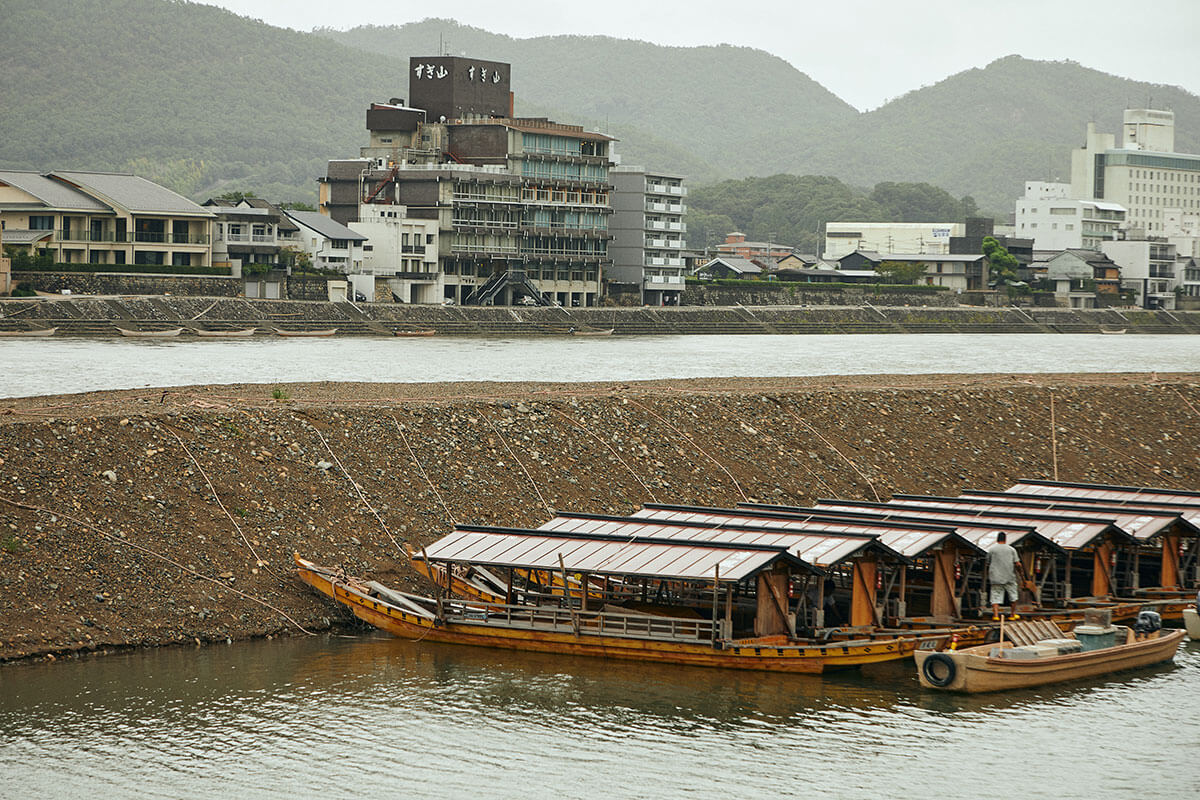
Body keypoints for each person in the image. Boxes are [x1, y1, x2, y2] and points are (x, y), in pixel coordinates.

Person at [986, 531, 1025, 621]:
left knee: (995, 596)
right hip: (1009, 577)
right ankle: (1012, 614)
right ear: (1005, 539)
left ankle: (996, 615)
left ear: (997, 539)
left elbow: (988, 562)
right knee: (1013, 595)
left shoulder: (992, 549)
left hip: (995, 577)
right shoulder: (1011, 549)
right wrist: (1021, 573)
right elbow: (1018, 564)